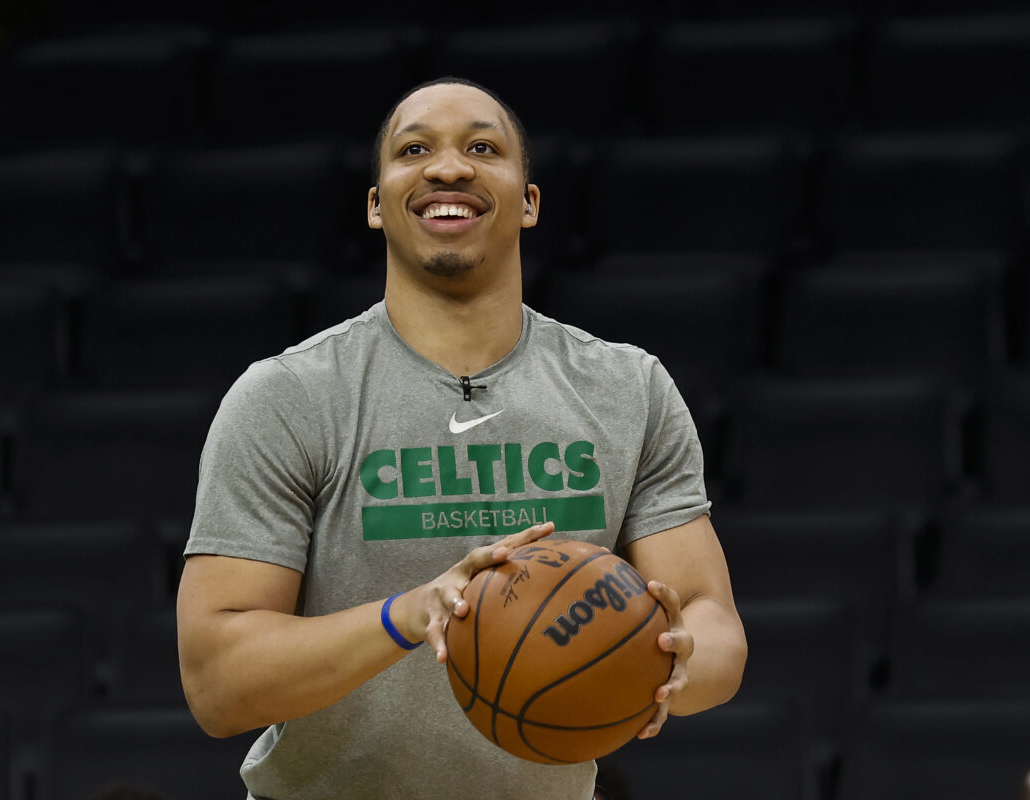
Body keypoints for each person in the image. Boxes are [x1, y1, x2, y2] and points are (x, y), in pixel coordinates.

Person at [177, 77, 748, 800]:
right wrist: (407, 616)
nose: (449, 168)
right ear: (377, 206)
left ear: (530, 202)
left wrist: (667, 658)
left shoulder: (627, 388)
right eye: (414, 149)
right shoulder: (287, 397)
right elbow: (217, 684)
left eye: (483, 147)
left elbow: (717, 630)